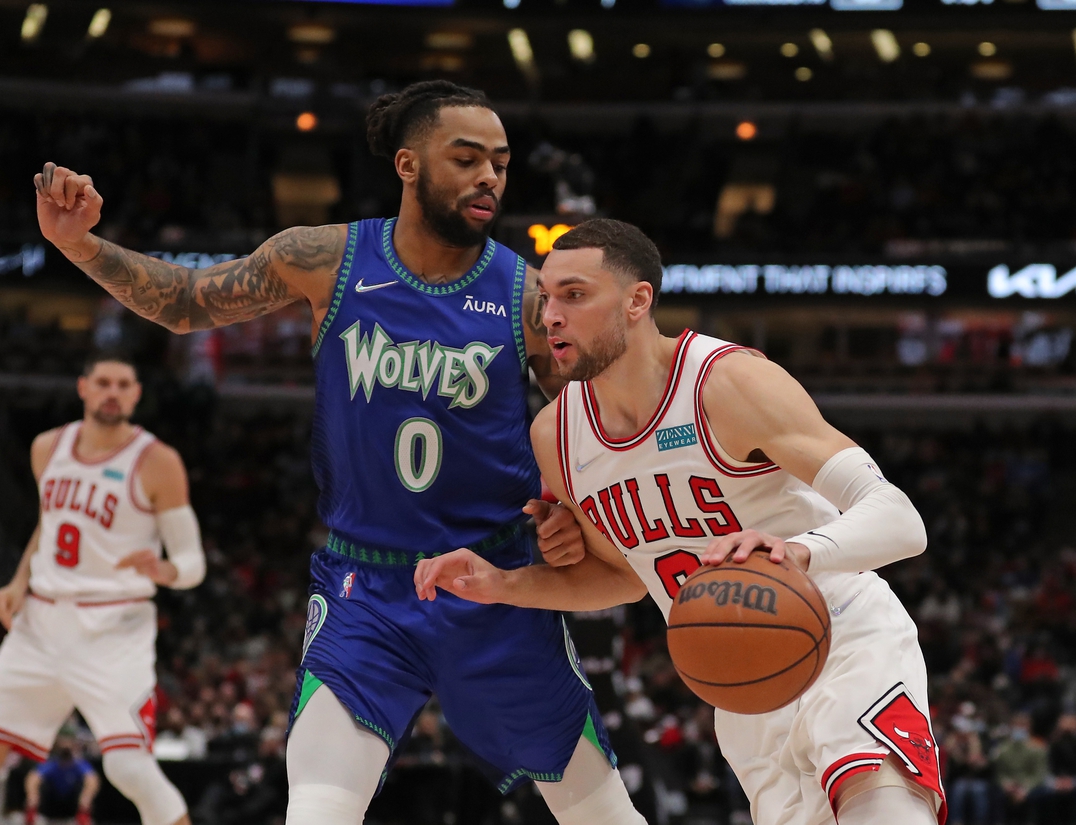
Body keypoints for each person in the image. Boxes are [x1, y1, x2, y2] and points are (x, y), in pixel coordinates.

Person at [32, 80, 644, 825]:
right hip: (367, 593)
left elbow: (582, 429)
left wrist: (569, 514)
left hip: (496, 584)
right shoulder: (327, 258)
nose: (490, 176)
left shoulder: (524, 293)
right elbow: (190, 300)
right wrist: (79, 244)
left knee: (607, 819)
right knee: (316, 812)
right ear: (409, 164)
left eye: (502, 162)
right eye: (467, 157)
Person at [416, 218, 948, 825]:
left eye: (575, 295)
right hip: (740, 687)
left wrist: (797, 552)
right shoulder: (557, 436)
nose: (551, 316)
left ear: (638, 300)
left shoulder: (728, 383)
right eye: (547, 299)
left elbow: (901, 519)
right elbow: (625, 577)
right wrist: (502, 584)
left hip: (843, 637)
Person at [0, 352, 205, 825]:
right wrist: (18, 580)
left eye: (123, 385)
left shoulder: (157, 461)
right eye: (104, 383)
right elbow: (48, 527)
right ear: (84, 388)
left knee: (130, 769)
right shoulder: (46, 447)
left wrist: (166, 570)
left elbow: (192, 563)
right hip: (41, 621)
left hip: (114, 626)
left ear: (135, 395)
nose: (113, 392)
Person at [24, 733, 100, 825]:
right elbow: (33, 777)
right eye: (63, 741)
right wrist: (32, 795)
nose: (66, 744)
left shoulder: (78, 763)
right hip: (51, 804)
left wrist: (86, 797)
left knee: (85, 794)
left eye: (68, 741)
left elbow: (92, 779)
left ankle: (82, 820)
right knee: (37, 791)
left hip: (70, 805)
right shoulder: (52, 762)